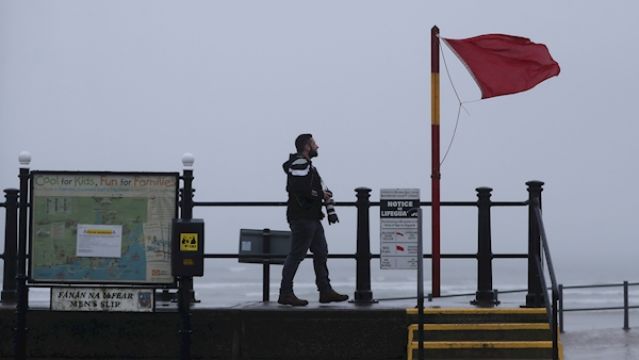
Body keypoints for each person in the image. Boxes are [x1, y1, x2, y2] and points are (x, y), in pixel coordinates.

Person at [278, 134, 349, 306]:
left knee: (321, 251)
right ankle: (286, 293)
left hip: (312, 217)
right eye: (314, 143)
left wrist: (321, 196)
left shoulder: (306, 165)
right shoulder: (300, 163)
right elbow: (298, 188)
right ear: (307, 146)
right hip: (303, 217)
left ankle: (325, 291)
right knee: (296, 255)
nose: (318, 146)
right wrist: (320, 195)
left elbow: (308, 187)